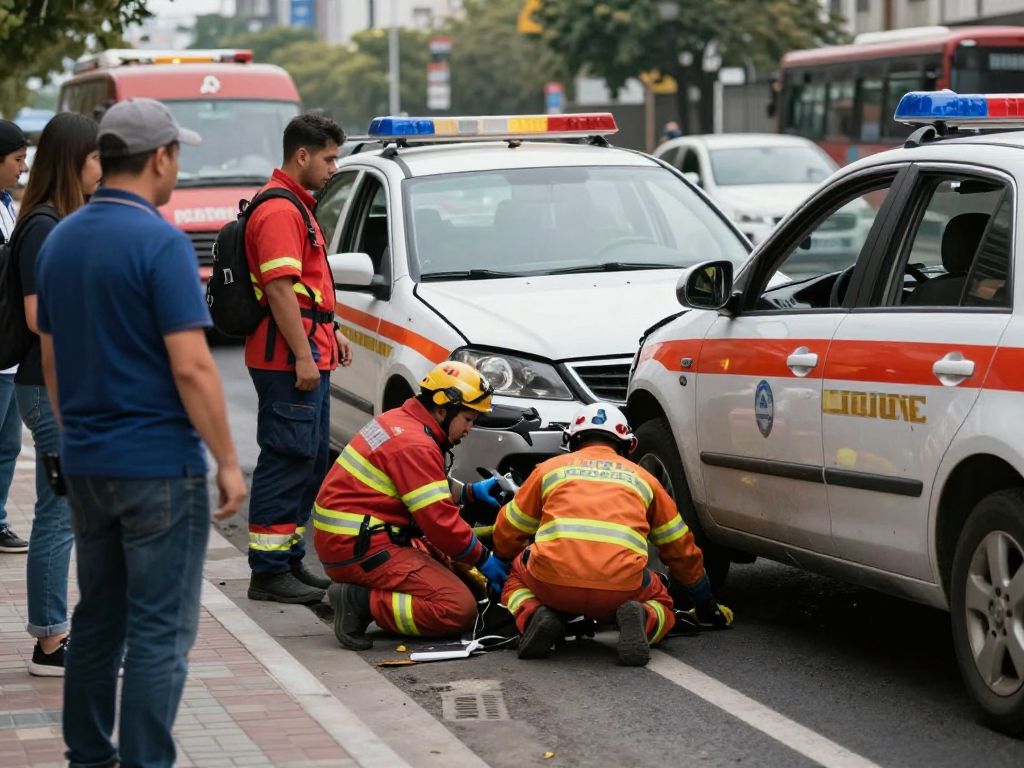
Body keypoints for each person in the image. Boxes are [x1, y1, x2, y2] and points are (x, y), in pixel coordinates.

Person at [34, 98, 246, 768]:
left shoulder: (63, 238)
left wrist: (75, 434)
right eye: (177, 154)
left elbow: (51, 354)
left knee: (97, 619)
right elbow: (191, 366)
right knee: (159, 632)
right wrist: (229, 462)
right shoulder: (160, 240)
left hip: (89, 461)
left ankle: (88, 757)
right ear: (160, 158)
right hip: (158, 466)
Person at [493, 402, 733, 667]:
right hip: (621, 589)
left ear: (571, 440)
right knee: (662, 602)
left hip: (552, 584)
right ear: (628, 445)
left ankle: (534, 615)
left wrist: (501, 560)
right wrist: (705, 602)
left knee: (515, 578)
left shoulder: (549, 470)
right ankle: (643, 618)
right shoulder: (644, 479)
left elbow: (508, 530)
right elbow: (681, 550)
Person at [315, 361, 510, 650]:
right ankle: (359, 600)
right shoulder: (415, 445)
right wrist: (484, 560)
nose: (470, 428)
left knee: (465, 580)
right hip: (362, 547)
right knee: (458, 608)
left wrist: (469, 492)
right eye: (468, 419)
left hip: (359, 539)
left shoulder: (403, 421)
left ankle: (365, 595)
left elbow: (418, 488)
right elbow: (440, 523)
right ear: (444, 409)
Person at [244, 112, 354, 604]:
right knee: (287, 459)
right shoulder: (280, 211)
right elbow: (280, 289)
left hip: (307, 351)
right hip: (287, 361)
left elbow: (310, 290)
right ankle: (268, 572)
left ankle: (286, 560)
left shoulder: (297, 206)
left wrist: (333, 333)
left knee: (307, 461)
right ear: (302, 155)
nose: (334, 167)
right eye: (329, 158)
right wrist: (304, 356)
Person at [14, 112, 101, 676]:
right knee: (57, 515)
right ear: (74, 160)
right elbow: (39, 314)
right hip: (50, 392)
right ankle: (50, 642)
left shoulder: (57, 220)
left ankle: (53, 635)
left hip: (56, 387)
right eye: (96, 159)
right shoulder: (45, 226)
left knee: (63, 512)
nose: (102, 170)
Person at [0, 119, 30, 554]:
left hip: (11, 354)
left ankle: (0, 518)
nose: (23, 168)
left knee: (8, 444)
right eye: (17, 160)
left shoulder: (8, 205)